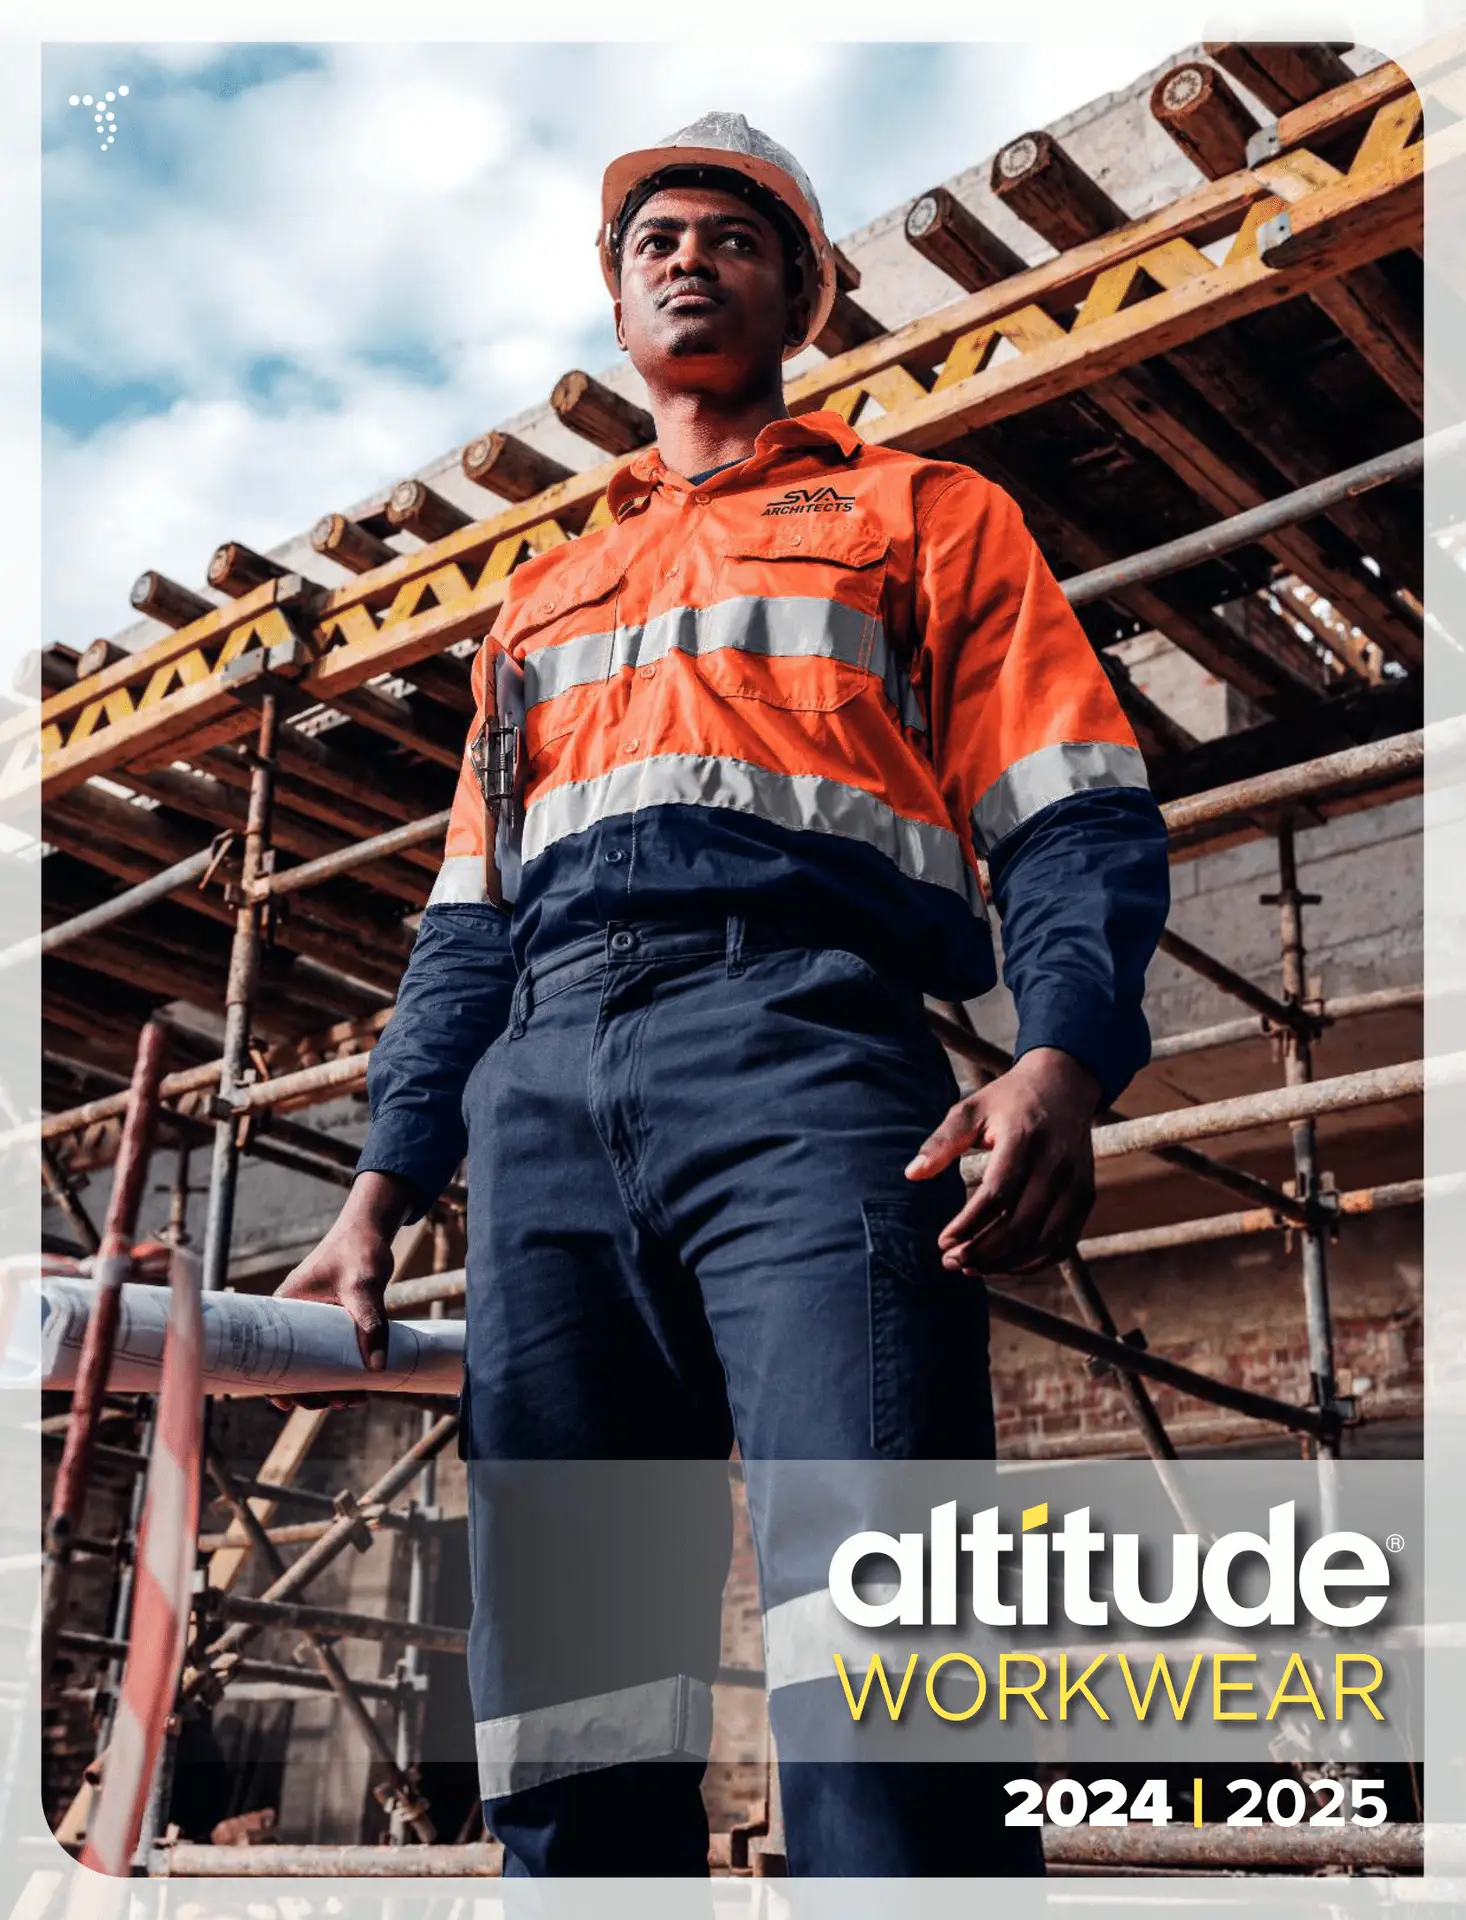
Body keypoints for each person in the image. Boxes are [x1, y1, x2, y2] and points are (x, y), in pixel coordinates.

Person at [275, 112, 1170, 1876]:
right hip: (541, 1110)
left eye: (731, 239)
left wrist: (1064, 1047)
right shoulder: (535, 603)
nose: (687, 258)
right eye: (654, 241)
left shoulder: (926, 513)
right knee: (577, 1675)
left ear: (799, 292)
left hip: (804, 1058)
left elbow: (1069, 813)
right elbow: (466, 922)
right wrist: (380, 1190)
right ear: (615, 304)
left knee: (882, 1610)